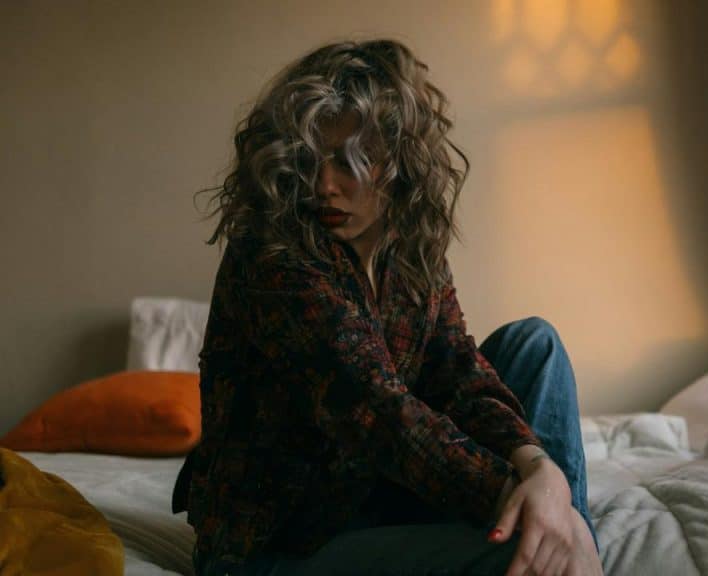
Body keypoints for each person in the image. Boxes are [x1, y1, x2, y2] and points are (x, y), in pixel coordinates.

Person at [172, 39, 603, 576]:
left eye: (351, 160)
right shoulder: (272, 255)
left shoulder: (409, 247)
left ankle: (565, 535)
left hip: (372, 499)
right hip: (280, 543)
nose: (324, 185)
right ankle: (574, 547)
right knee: (519, 553)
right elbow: (379, 413)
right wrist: (514, 493)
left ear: (400, 162)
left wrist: (540, 470)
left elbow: (457, 372)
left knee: (533, 343)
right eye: (312, 159)